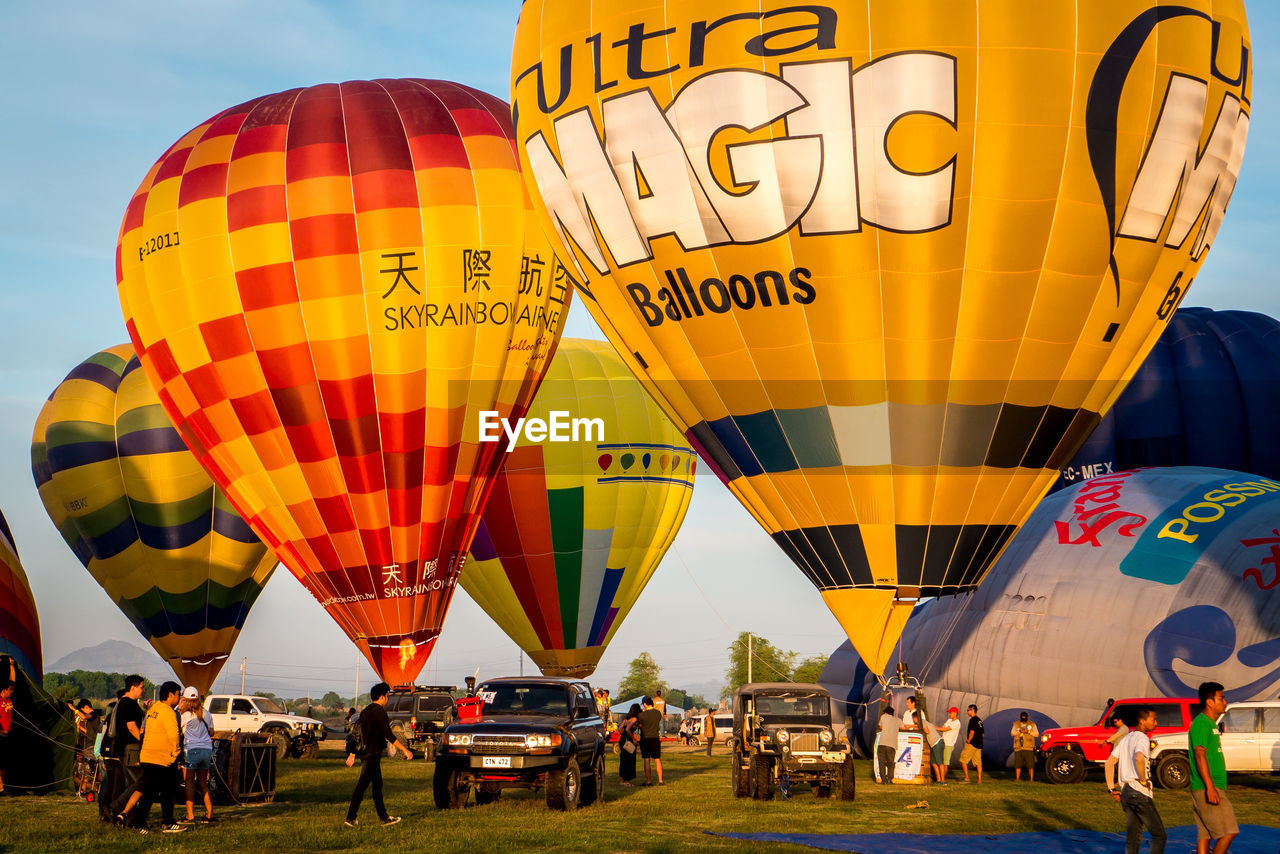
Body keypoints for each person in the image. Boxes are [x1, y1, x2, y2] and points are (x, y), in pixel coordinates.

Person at [345, 682, 412, 827]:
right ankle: (351, 817)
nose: (388, 699)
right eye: (387, 696)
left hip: (366, 754)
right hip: (372, 754)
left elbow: (356, 735)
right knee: (362, 786)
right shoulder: (379, 711)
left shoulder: (365, 711)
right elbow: (389, 735)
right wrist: (405, 750)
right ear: (382, 697)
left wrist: (352, 754)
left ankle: (384, 818)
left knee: (376, 786)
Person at [122, 681, 185, 833]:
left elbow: (143, 732)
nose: (179, 697)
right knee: (167, 792)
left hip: (148, 756)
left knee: (149, 791)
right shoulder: (168, 712)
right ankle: (163, 823)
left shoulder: (153, 709)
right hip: (162, 758)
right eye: (178, 694)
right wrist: (176, 754)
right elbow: (174, 735)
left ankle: (142, 822)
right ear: (170, 695)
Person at [1189, 681, 1237, 854]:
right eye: (1221, 698)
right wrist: (1210, 787)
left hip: (1208, 787)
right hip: (1207, 787)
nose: (1225, 702)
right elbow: (1199, 754)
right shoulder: (1202, 723)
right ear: (1209, 701)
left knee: (1205, 835)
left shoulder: (1210, 723)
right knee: (1229, 831)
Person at [1117, 706, 1166, 854]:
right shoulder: (1143, 738)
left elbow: (1110, 762)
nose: (1156, 723)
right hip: (1139, 792)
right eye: (1153, 719)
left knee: (1133, 837)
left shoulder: (1127, 738)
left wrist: (1111, 788)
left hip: (1126, 791)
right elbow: (1139, 757)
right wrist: (1143, 780)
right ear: (1142, 721)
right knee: (1159, 835)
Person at [110, 675, 147, 822]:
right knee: (140, 782)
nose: (143, 690)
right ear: (133, 687)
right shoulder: (129, 703)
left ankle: (126, 815)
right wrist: (144, 741)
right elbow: (131, 727)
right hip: (131, 749)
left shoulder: (127, 703)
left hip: (129, 748)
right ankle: (118, 806)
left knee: (132, 783)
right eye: (142, 687)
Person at [178, 687, 214, 824]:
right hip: (206, 750)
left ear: (185, 700)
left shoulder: (185, 716)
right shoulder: (207, 713)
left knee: (189, 783)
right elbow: (211, 732)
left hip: (191, 750)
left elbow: (180, 733)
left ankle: (190, 815)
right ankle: (209, 813)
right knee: (203, 783)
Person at [638, 696, 663, 785]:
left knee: (647, 759)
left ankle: (648, 781)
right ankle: (660, 780)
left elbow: (640, 726)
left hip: (645, 738)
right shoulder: (658, 713)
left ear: (644, 704)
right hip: (655, 738)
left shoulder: (641, 715)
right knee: (657, 759)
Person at [1105, 712, 1131, 796]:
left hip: (1119, 751)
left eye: (1116, 722)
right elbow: (1115, 739)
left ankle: (1111, 787)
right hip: (1119, 751)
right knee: (1120, 768)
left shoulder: (1124, 728)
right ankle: (1117, 785)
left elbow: (1115, 737)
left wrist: (1106, 741)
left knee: (1109, 765)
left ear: (1120, 720)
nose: (1115, 724)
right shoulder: (1121, 729)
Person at [1011, 712, 1039, 781]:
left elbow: (1037, 734)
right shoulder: (1016, 724)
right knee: (1018, 765)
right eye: (1022, 718)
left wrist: (1028, 732)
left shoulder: (1032, 724)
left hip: (1028, 747)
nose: (1024, 720)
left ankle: (1031, 779)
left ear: (1027, 717)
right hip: (1018, 747)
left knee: (1030, 765)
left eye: (1025, 718)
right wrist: (1019, 731)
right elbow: (1012, 733)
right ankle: (1017, 779)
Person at [618, 704, 641, 787]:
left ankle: (622, 780)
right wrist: (633, 738)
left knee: (623, 759)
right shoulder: (634, 719)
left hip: (622, 740)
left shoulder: (626, 719)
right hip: (629, 740)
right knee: (629, 760)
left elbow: (620, 728)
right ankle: (627, 780)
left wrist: (623, 735)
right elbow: (628, 729)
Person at [960, 704, 984, 784]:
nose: (967, 711)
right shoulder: (979, 720)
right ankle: (979, 780)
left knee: (963, 760)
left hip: (972, 744)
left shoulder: (973, 720)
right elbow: (983, 734)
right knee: (978, 763)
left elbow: (972, 732)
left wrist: (968, 741)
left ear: (972, 710)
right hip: (979, 745)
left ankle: (967, 778)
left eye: (968, 710)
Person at [876, 703, 898, 784]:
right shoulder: (897, 720)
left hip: (882, 744)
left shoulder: (883, 717)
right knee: (890, 763)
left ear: (886, 713)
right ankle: (889, 779)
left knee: (881, 762)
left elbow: (880, 726)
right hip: (891, 745)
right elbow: (904, 727)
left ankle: (883, 780)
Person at [0, 666, 13, 796]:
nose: (12, 692)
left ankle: (2, 787)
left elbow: (12, 680)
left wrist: (10, 666)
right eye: (10, 690)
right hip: (0, 735)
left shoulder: (9, 701)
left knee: (3, 763)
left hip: (7, 736)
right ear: (3, 690)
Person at [922, 714, 946, 784]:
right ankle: (938, 780)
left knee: (940, 763)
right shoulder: (928, 723)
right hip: (934, 744)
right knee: (933, 762)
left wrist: (921, 729)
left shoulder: (923, 722)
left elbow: (927, 731)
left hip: (937, 742)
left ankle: (943, 780)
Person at [940, 707, 961, 774]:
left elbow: (945, 729)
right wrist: (943, 728)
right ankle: (941, 777)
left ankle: (943, 779)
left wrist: (934, 727)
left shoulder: (957, 722)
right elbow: (943, 727)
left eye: (951, 712)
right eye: (949, 712)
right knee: (942, 761)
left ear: (955, 713)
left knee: (945, 762)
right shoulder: (949, 720)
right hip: (943, 742)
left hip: (949, 744)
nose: (950, 714)